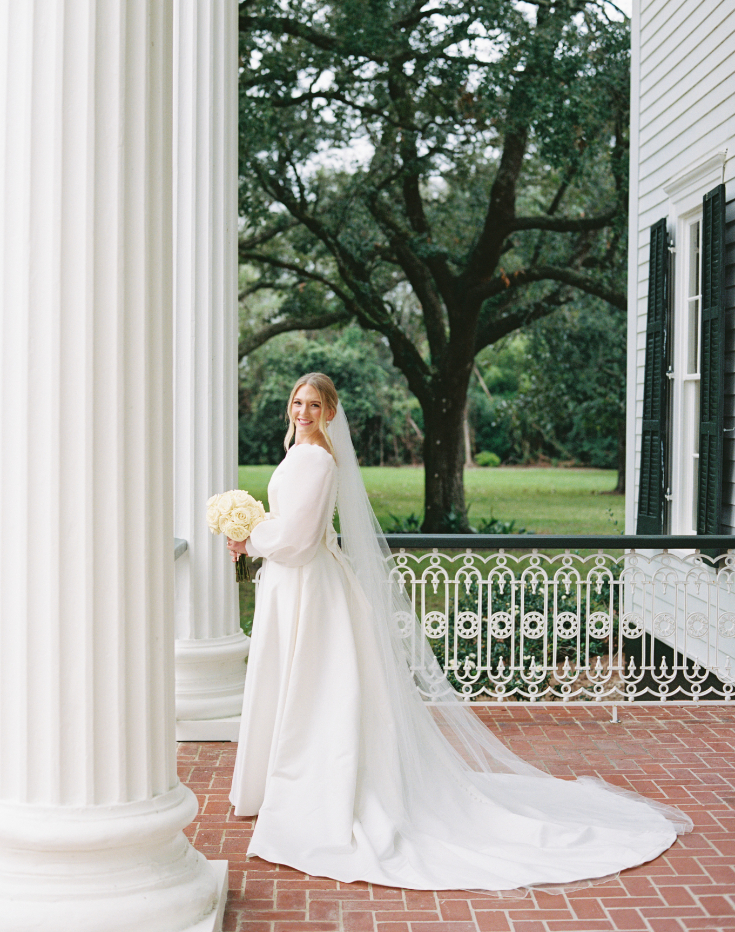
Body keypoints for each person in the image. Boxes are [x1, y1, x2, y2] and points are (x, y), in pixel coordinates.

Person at [227, 372, 691, 893]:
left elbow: (301, 539)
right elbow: (292, 526)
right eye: (297, 401)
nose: (302, 410)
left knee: (312, 688)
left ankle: (313, 794)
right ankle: (293, 786)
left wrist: (251, 537)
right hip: (294, 586)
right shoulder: (299, 455)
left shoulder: (316, 458)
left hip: (310, 589)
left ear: (331, 412)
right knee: (306, 687)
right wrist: (260, 531)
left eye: (314, 404)